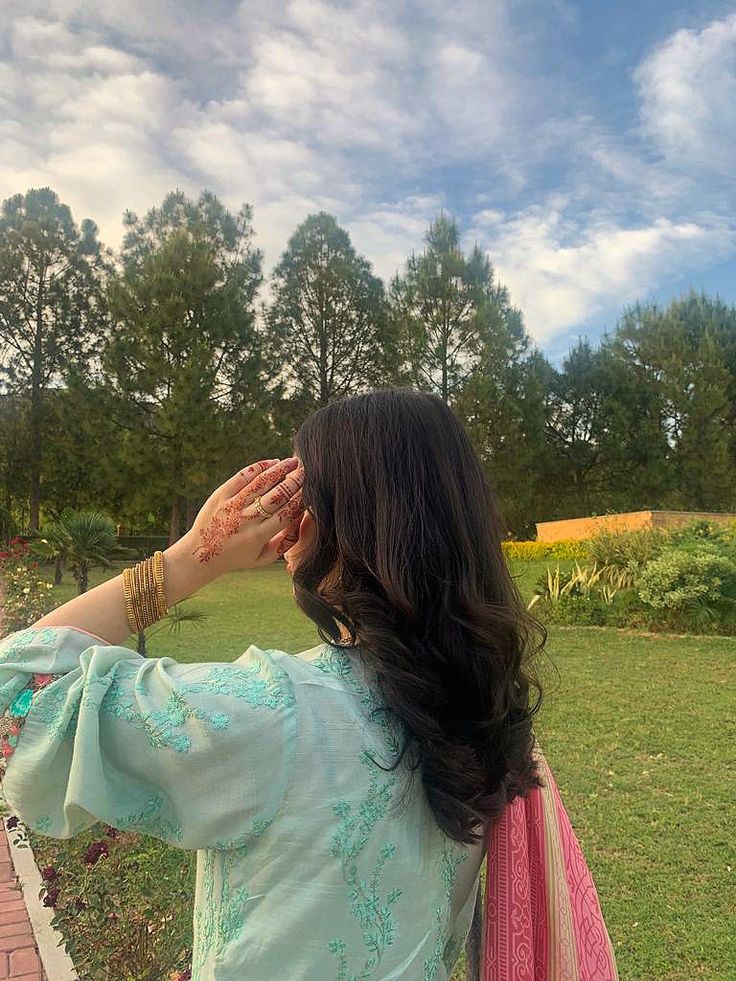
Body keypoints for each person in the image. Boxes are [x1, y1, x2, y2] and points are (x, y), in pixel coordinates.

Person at [0, 388, 618, 980]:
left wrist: (190, 559)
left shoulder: (272, 711)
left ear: (345, 520)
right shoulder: (479, 708)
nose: (289, 521)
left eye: (304, 494)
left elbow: (19, 687)